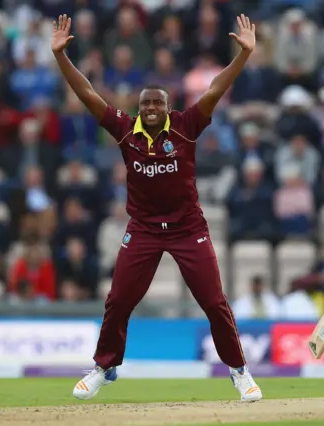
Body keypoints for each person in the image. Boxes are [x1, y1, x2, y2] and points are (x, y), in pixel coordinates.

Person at [51, 14, 262, 402]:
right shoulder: (125, 129)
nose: (150, 108)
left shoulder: (186, 125)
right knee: (118, 300)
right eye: (145, 103)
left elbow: (216, 88)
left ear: (167, 108)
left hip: (188, 228)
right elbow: (87, 94)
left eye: (157, 103)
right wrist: (62, 57)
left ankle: (239, 371)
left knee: (214, 302)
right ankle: (103, 367)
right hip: (144, 229)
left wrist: (243, 56)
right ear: (139, 106)